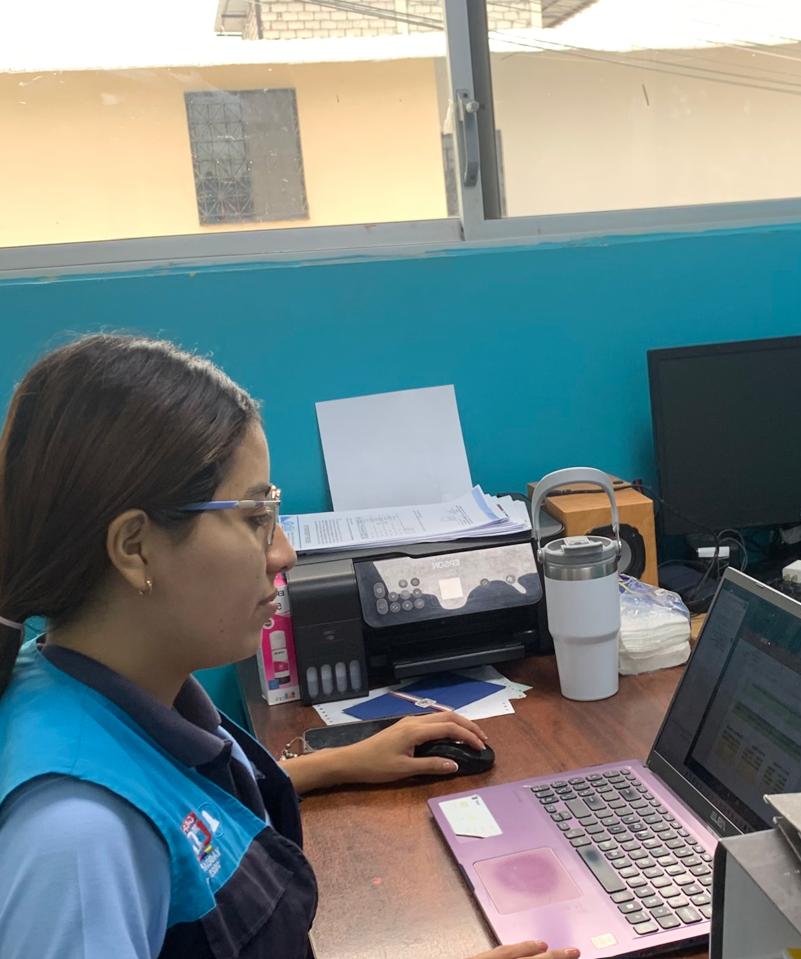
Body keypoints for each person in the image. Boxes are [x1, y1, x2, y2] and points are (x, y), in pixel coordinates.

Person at [0, 335, 579, 959]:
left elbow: (180, 808)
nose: (284, 554)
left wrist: (333, 764)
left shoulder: (74, 678)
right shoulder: (77, 842)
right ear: (135, 548)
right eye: (255, 517)